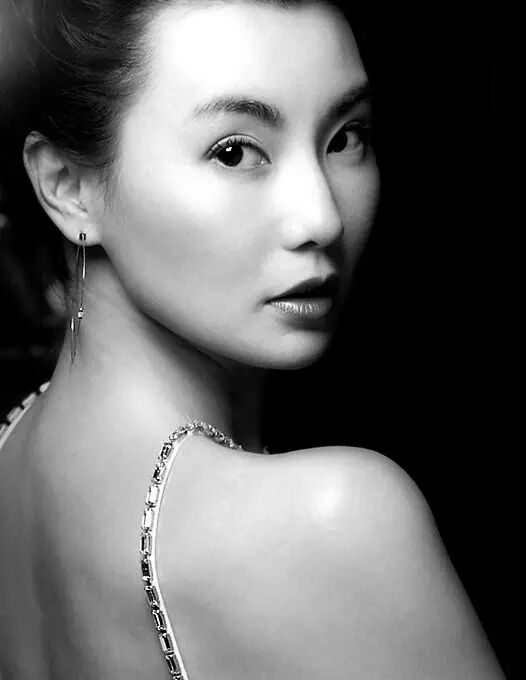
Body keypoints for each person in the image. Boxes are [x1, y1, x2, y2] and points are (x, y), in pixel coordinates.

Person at [0, 1, 506, 678]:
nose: (321, 218)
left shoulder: (11, 448)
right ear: (68, 186)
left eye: (346, 137)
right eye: (235, 151)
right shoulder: (332, 520)